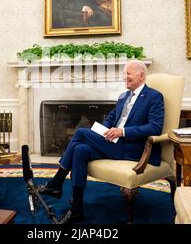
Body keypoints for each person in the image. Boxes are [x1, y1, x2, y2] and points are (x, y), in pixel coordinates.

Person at [38, 60, 165, 224]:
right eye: (123, 73)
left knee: (81, 132)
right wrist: (102, 131)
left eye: (128, 73)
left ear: (141, 75)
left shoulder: (154, 96)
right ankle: (77, 209)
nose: (124, 77)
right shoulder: (123, 96)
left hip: (134, 148)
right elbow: (111, 118)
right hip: (114, 143)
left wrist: (123, 132)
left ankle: (57, 181)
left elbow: (155, 128)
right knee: (80, 150)